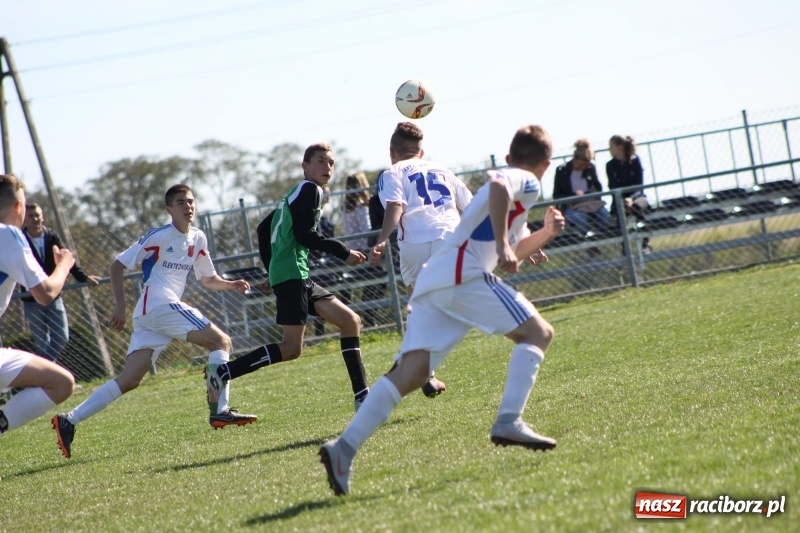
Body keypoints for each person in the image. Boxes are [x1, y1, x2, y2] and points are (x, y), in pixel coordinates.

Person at [319, 125, 566, 496]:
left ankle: (343, 449)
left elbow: (512, 249)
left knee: (414, 371)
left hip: (436, 277)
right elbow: (500, 191)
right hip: (461, 274)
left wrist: (544, 234)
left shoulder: (512, 200)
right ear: (545, 165)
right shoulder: (526, 182)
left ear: (511, 155)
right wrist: (503, 244)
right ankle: (508, 421)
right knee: (538, 333)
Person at [51, 184, 259, 459]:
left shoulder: (198, 238)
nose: (188, 206)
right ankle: (220, 411)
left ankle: (68, 420)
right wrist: (120, 307)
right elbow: (117, 265)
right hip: (158, 304)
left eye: (191, 201)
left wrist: (231, 284)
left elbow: (207, 278)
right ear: (169, 209)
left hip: (152, 315)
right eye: (181, 202)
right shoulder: (159, 236)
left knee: (130, 379)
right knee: (221, 342)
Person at [210, 143, 371, 413]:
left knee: (350, 321)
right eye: (321, 161)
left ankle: (362, 396)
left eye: (331, 163)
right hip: (292, 275)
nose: (327, 167)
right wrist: (344, 253)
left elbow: (264, 229)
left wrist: (271, 271)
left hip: (296, 274)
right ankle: (223, 372)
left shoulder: (295, 194)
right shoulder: (310, 189)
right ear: (306, 167)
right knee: (291, 348)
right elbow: (305, 235)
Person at [369, 122, 473, 397]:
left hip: (413, 245)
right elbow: (475, 208)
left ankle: (419, 369)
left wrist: (381, 241)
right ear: (421, 151)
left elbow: (395, 205)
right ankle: (414, 367)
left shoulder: (392, 172)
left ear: (392, 152)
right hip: (449, 239)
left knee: (420, 310)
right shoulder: (443, 170)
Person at [0, 174, 76, 438]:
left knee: (61, 382)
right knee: (61, 384)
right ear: (19, 207)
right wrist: (64, 264)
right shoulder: (8, 234)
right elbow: (44, 293)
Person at [21, 203, 100, 362]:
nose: (35, 219)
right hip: (32, 298)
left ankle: (41, 369)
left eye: (38, 215)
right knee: (41, 342)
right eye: (31, 216)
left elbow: (66, 258)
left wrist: (84, 277)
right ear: (24, 218)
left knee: (62, 336)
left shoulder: (51, 236)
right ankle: (49, 380)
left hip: (54, 295)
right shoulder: (20, 239)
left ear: (42, 216)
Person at [552, 138, 611, 235]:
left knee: (604, 216)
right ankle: (589, 244)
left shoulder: (590, 169)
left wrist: (588, 194)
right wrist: (573, 196)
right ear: (575, 159)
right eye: (581, 164)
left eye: (586, 165)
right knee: (580, 219)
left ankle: (600, 238)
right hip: (572, 207)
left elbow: (598, 188)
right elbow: (557, 195)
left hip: (591, 205)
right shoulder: (562, 170)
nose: (583, 167)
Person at [606, 135, 652, 253]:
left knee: (637, 206)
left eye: (611, 146)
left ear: (620, 147)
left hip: (637, 197)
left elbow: (639, 186)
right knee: (621, 210)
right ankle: (625, 248)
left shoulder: (635, 161)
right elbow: (612, 187)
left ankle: (646, 244)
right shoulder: (610, 166)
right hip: (619, 200)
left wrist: (631, 199)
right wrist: (623, 200)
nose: (609, 149)